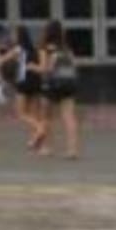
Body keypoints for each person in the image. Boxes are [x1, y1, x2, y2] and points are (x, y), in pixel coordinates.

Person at [38, 19, 81, 159]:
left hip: (51, 85)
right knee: (69, 117)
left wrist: (32, 68)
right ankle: (72, 149)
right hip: (68, 84)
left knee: (46, 117)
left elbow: (45, 69)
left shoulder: (45, 48)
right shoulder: (66, 49)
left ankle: (47, 148)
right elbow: (75, 66)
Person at [0, 24, 45, 150]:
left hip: (23, 81)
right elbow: (41, 67)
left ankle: (39, 128)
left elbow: (1, 61)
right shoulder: (35, 49)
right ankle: (35, 141)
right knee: (34, 112)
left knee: (20, 112)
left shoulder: (18, 49)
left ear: (19, 36)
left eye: (14, 34)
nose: (12, 37)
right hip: (36, 81)